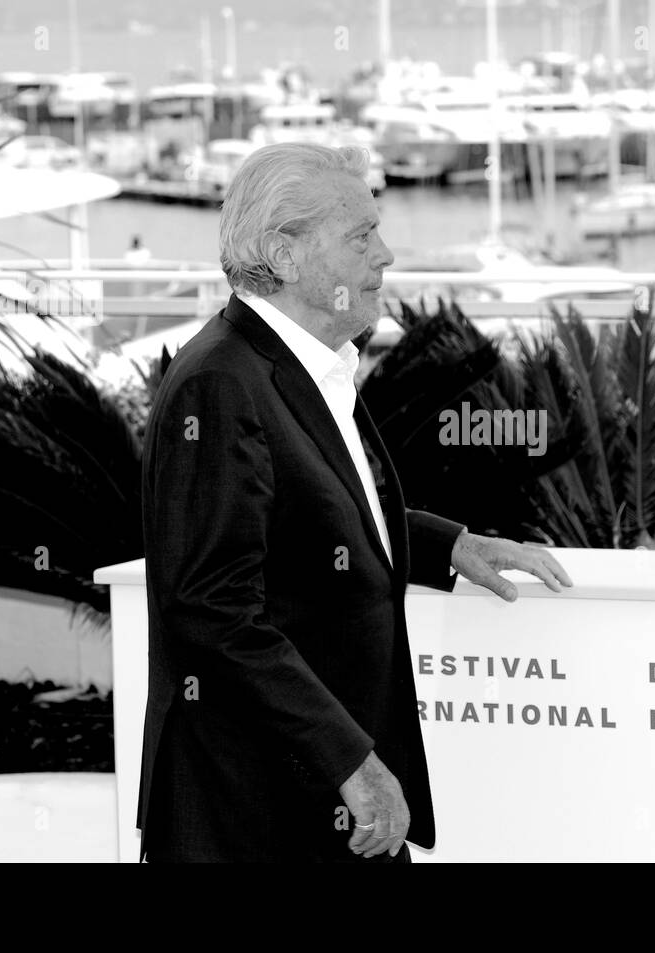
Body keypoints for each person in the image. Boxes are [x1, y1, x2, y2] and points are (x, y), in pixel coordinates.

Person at [138, 142, 573, 863]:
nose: (388, 255)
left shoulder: (310, 364)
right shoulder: (218, 387)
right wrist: (351, 762)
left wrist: (448, 546)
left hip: (314, 807)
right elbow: (213, 613)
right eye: (361, 236)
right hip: (258, 815)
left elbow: (312, 519)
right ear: (284, 254)